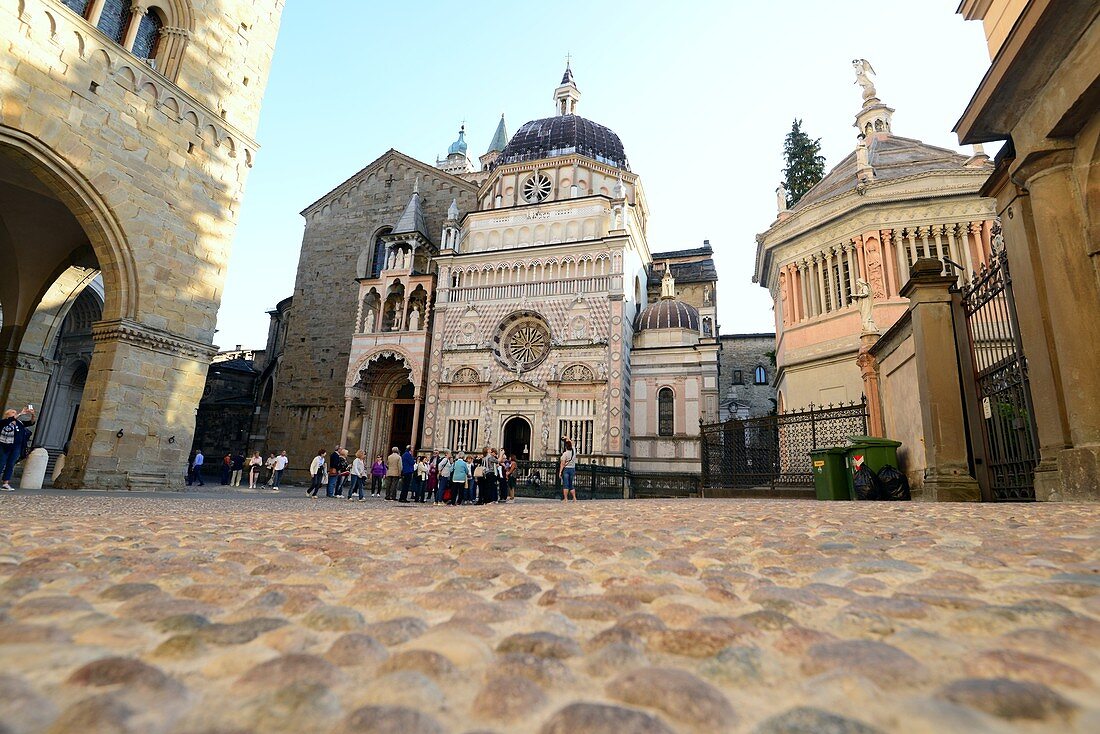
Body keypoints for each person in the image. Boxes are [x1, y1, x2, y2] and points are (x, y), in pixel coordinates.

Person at [0, 406, 34, 491]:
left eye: (15, 412)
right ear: (7, 414)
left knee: (10, 464)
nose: (15, 413)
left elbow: (31, 422)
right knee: (1, 463)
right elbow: (10, 420)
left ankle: (6, 483)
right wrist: (21, 413)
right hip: (4, 446)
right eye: (12, 412)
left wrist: (33, 415)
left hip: (16, 447)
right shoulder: (4, 422)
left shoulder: (19, 423)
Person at [559, 437, 577, 502]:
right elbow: (572, 443)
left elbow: (562, 464)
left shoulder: (565, 454)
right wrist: (567, 438)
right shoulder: (574, 452)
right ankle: (574, 498)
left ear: (566, 447)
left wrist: (560, 472)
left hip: (566, 470)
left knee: (566, 484)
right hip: (572, 469)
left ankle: (566, 499)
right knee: (571, 484)